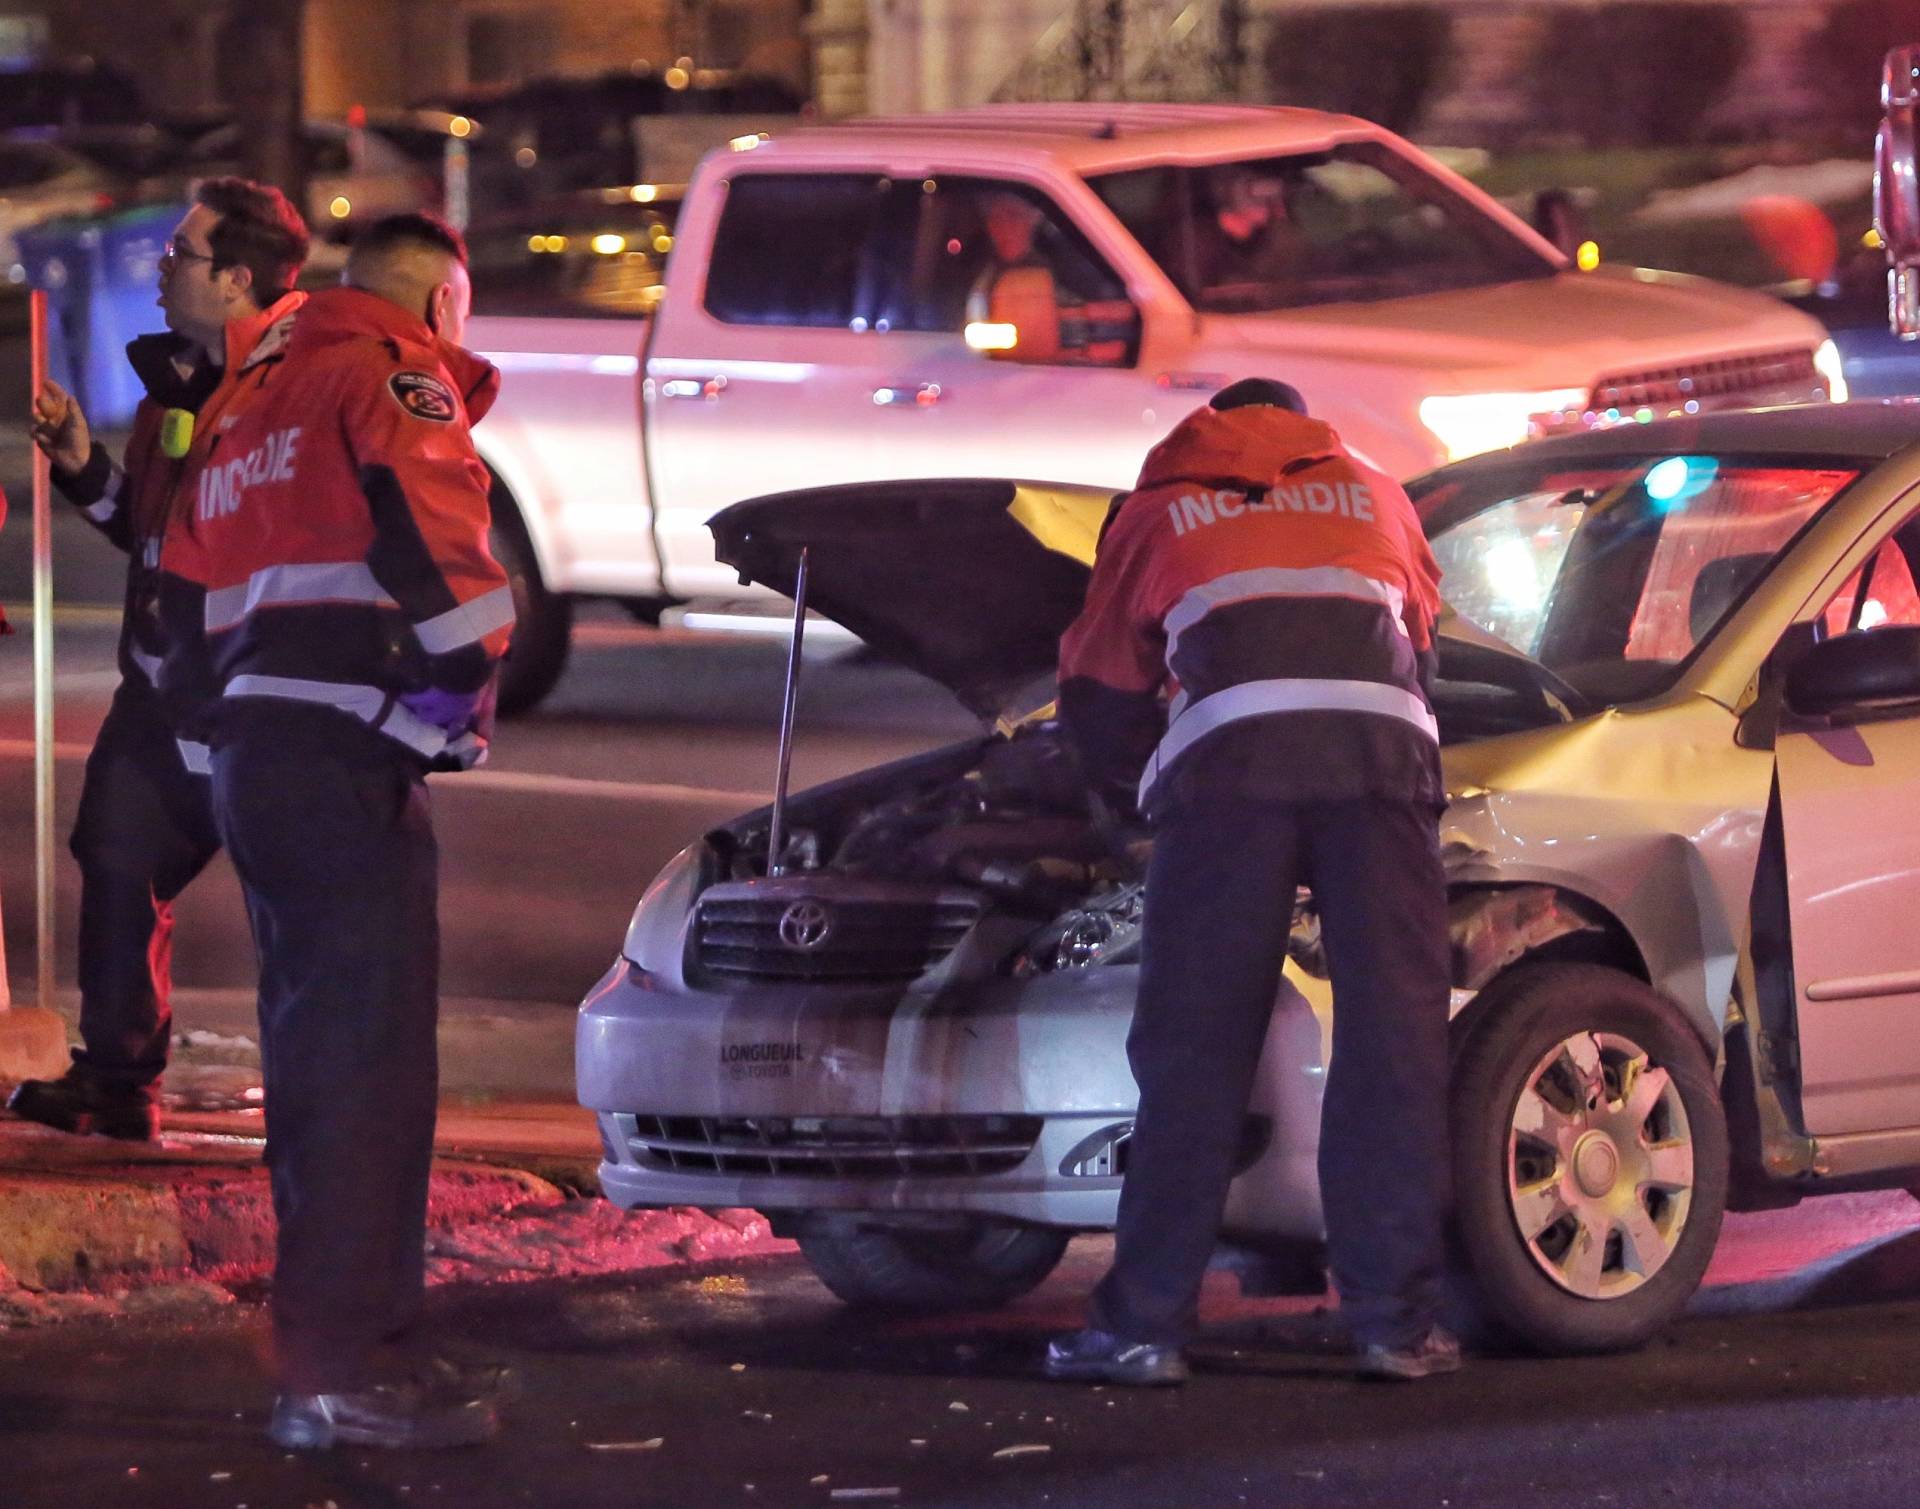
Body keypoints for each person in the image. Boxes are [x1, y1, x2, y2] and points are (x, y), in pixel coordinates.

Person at [158, 212, 514, 1449]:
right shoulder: (389, 374)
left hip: (256, 761)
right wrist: (444, 723)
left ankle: (332, 1355)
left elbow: (174, 618)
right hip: (345, 755)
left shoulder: (250, 405)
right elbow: (456, 580)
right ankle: (343, 1376)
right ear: (443, 303)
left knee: (318, 1073)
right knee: (367, 1076)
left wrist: (224, 756)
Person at [1043, 376, 1457, 1387]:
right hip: (1382, 765)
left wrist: (1133, 801)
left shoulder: (1155, 509)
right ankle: (1392, 1327)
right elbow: (1421, 648)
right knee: (1392, 1040)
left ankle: (1141, 1329)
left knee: (1195, 1049)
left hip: (1230, 772)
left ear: (1208, 430)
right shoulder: (1378, 494)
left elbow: (1098, 697)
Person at [11, 178, 310, 1141]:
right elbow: (155, 531)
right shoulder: (180, 382)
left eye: (179, 256)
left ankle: (326, 1093)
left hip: (251, 696)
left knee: (298, 895)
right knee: (116, 855)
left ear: (235, 278)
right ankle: (118, 1079)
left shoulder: (289, 387)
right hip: (161, 691)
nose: (160, 270)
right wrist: (84, 469)